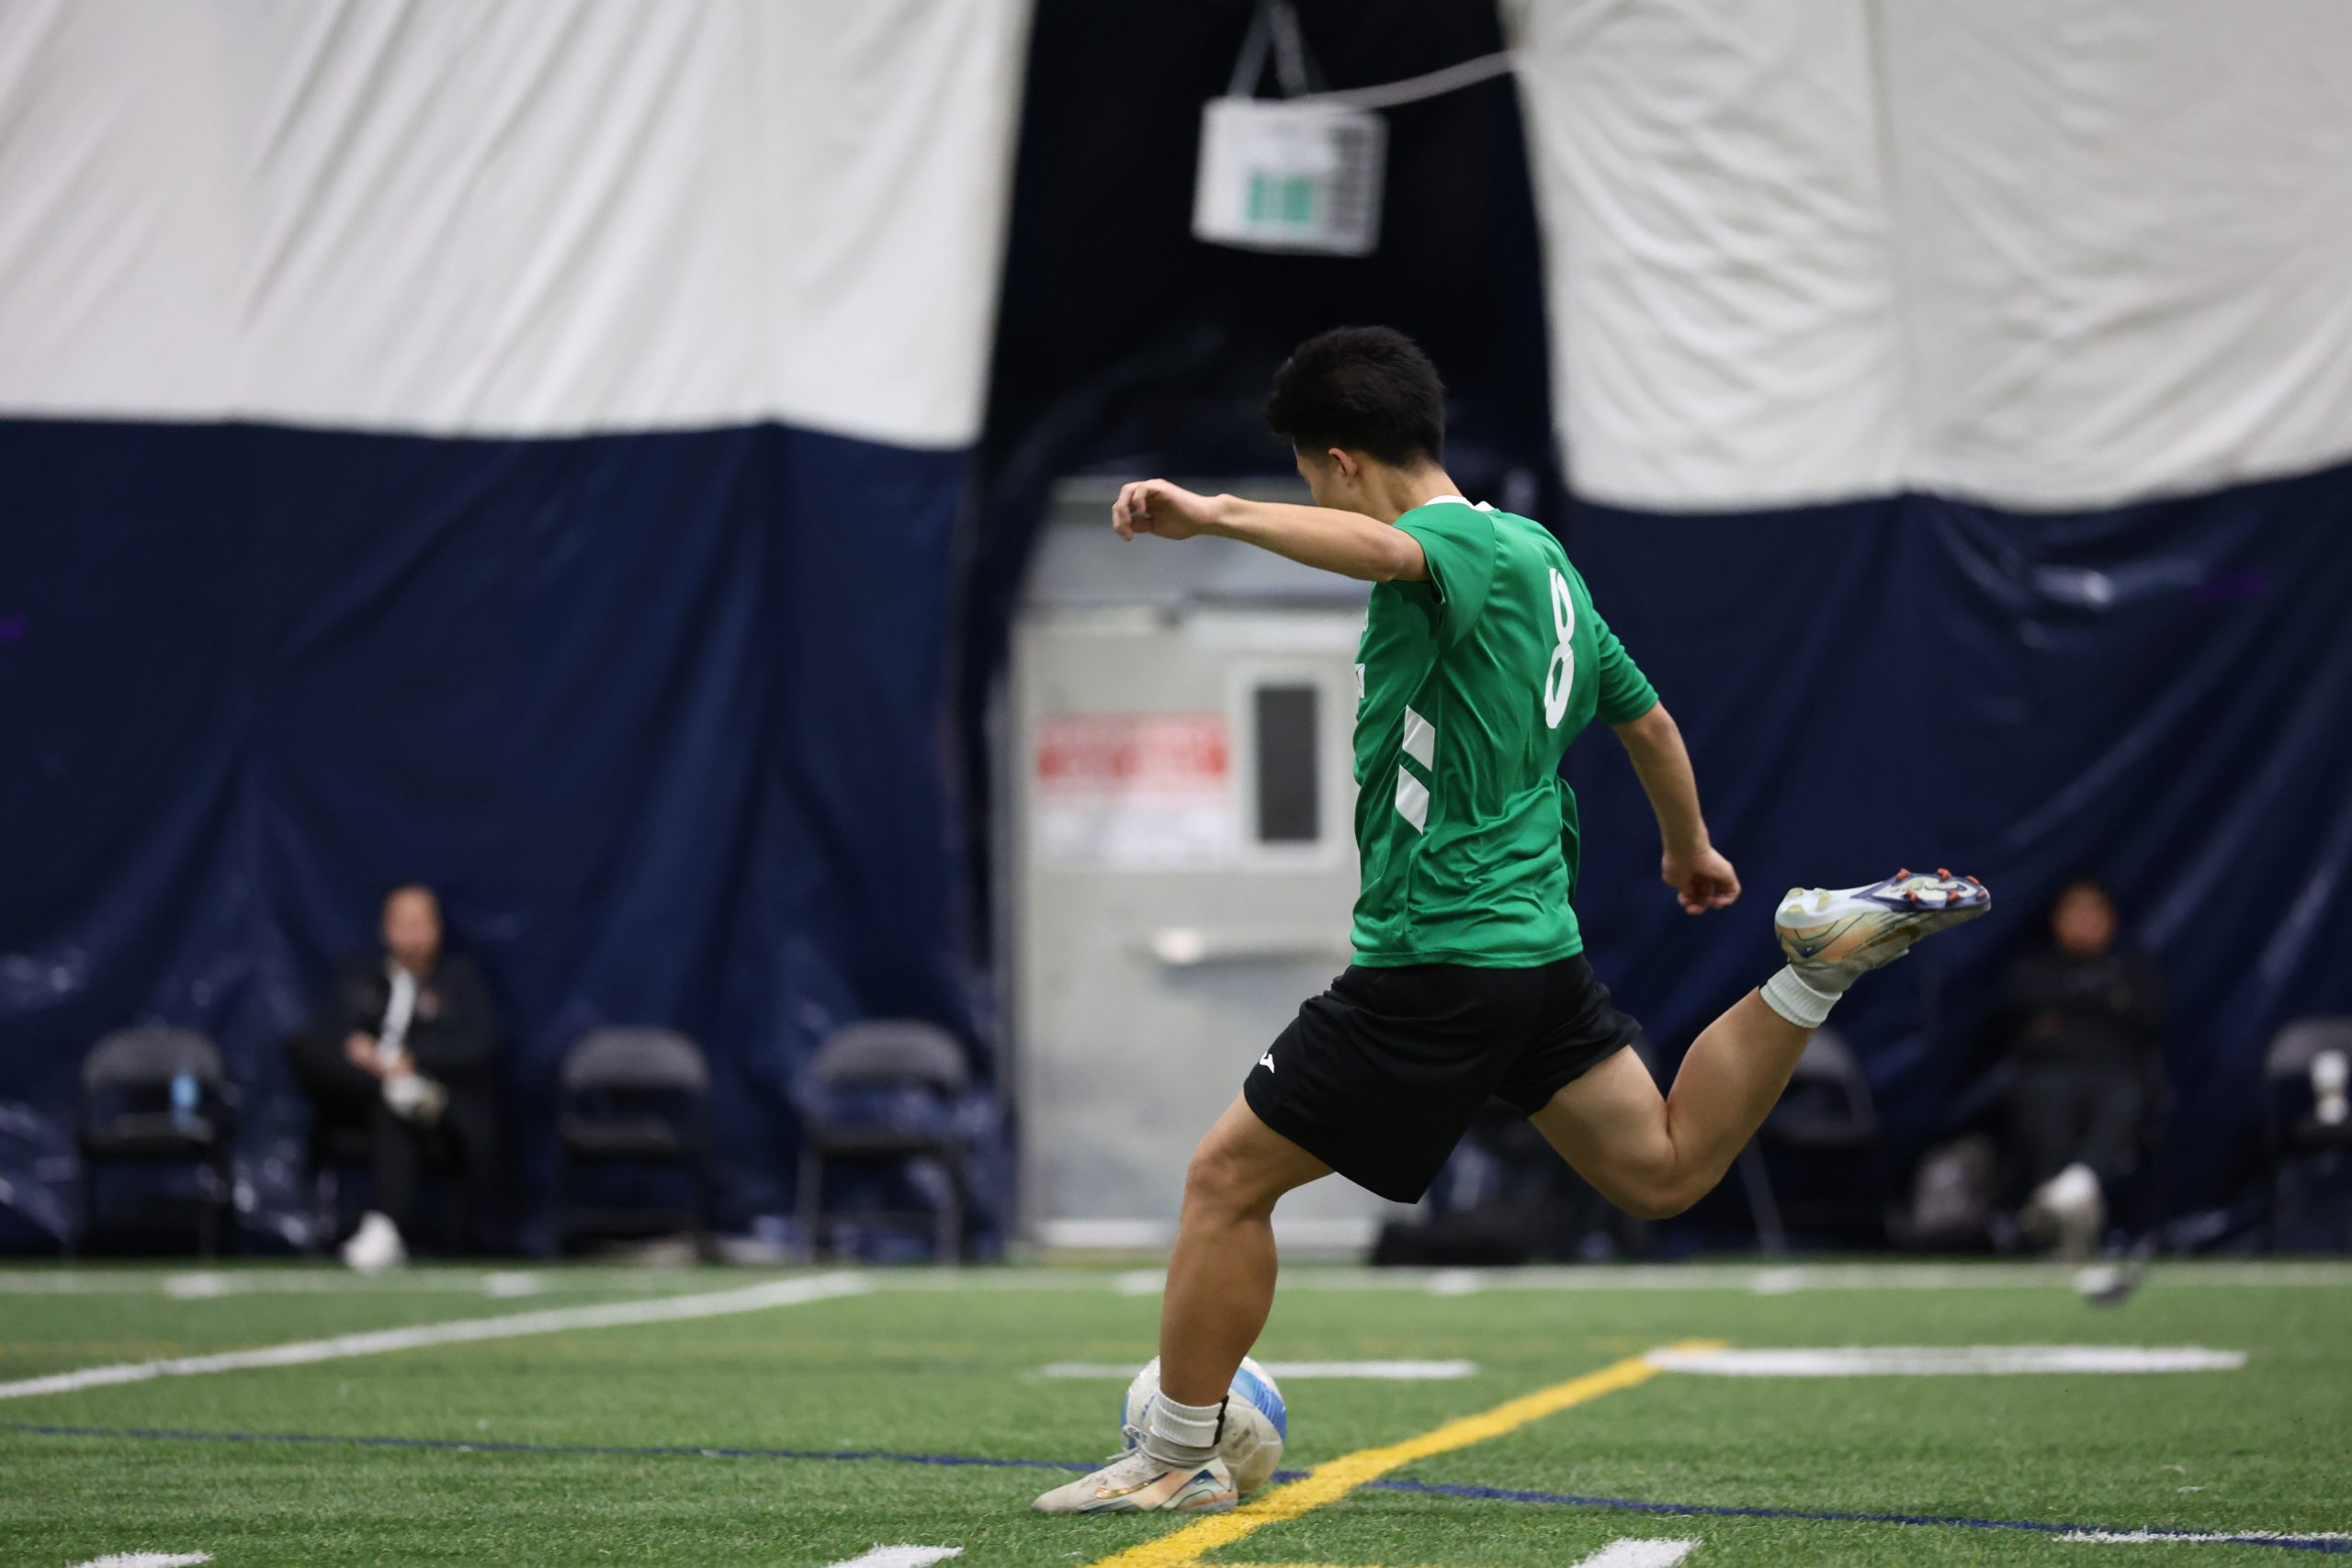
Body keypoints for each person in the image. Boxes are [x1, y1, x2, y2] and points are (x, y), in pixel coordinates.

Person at [1034, 326, 1991, 1515]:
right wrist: (1689, 847)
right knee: (1663, 1167)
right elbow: (1646, 721)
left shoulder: (1455, 544)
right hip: (1535, 951)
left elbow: (1390, 546)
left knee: (1226, 1178)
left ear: (1340, 462)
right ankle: (1810, 972)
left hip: (1436, 953)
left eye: (1308, 477)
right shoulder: (1544, 557)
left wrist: (1215, 513)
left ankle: (1177, 1454)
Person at [287, 884, 499, 1271]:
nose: (411, 933)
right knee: (312, 1051)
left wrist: (412, 1060)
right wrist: (360, 1052)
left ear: (437, 928)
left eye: (420, 923)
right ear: (385, 928)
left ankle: (386, 1228)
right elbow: (324, 1037)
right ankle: (390, 1089)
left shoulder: (460, 980)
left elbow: (479, 1047)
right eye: (402, 923)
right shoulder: (358, 977)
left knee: (397, 1106)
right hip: (362, 1090)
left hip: (432, 1106)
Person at [2003, 875, 2165, 1260]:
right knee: (2049, 1097)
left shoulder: (2132, 970)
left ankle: (2074, 1187)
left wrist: (2068, 1010)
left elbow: (2149, 1014)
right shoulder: (2033, 968)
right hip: (2047, 1076)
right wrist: (2103, 1000)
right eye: (2074, 911)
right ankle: (2063, 1212)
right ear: (2056, 918)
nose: (2083, 920)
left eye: (2093, 911)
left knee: (2124, 1096)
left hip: (2117, 1077)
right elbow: (2021, 1008)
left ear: (2111, 920)